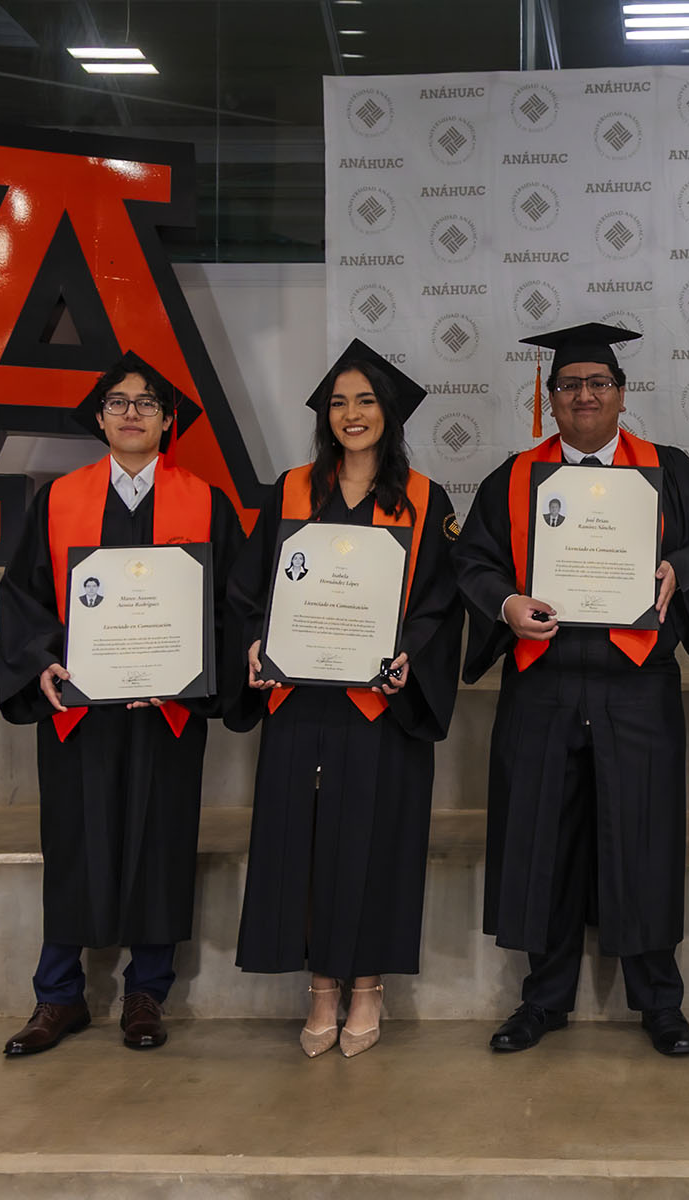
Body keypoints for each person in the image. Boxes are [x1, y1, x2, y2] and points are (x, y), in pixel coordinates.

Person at [452, 321, 689, 1058]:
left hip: (635, 684)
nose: (584, 395)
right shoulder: (515, 476)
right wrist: (506, 604)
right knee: (543, 836)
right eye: (570, 385)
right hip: (542, 683)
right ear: (550, 398)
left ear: (622, 394)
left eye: (598, 383)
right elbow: (472, 560)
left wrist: (678, 569)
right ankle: (543, 1000)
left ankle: (659, 1002)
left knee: (644, 839)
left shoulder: (668, 470)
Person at [0, 350, 245, 1056]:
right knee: (74, 842)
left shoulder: (206, 502)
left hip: (167, 711)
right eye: (117, 402)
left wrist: (193, 672)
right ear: (100, 419)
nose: (131, 413)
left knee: (160, 842)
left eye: (146, 403)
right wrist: (42, 662)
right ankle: (58, 995)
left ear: (168, 422)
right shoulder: (58, 499)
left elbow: (234, 606)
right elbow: (24, 596)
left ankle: (146, 992)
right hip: (81, 712)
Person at [226, 340, 462, 1058]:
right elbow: (246, 590)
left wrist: (408, 657)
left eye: (365, 401)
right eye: (338, 402)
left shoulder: (425, 499)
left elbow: (440, 604)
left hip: (379, 706)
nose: (351, 414)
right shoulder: (291, 491)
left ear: (388, 413)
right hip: (300, 702)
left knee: (376, 843)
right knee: (303, 843)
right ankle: (320, 987)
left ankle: (366, 986)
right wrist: (255, 646)